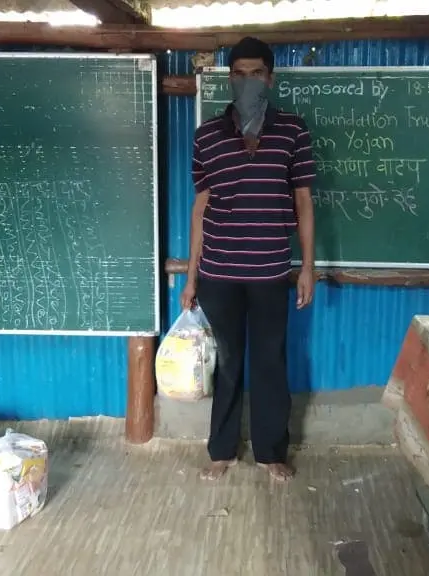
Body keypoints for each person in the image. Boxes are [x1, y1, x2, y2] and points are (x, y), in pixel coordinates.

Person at [180, 36, 316, 482]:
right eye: (238, 74)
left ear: (270, 79)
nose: (247, 81)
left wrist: (308, 267)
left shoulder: (293, 131)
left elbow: (303, 202)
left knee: (270, 361)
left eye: (256, 73)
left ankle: (270, 453)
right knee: (228, 361)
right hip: (219, 274)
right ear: (229, 79)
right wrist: (191, 276)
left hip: (271, 272)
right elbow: (200, 209)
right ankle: (221, 450)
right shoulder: (207, 136)